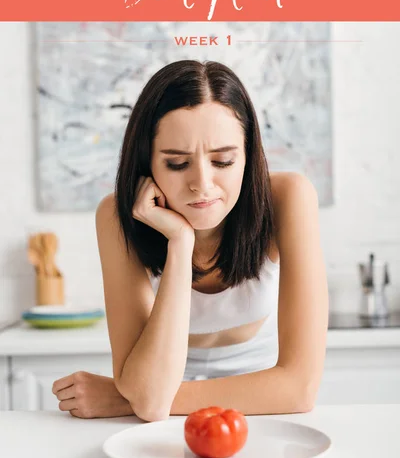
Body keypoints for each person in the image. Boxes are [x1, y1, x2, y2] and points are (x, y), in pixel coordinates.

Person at [52, 59, 328, 421]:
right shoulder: (116, 216)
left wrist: (127, 399)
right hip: (163, 412)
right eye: (177, 164)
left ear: (249, 155)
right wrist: (179, 243)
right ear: (147, 163)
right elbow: (149, 399)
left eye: (224, 161)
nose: (202, 183)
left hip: (265, 413)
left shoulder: (288, 198)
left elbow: (298, 389)